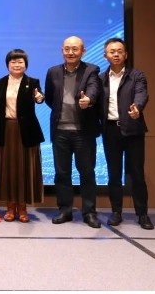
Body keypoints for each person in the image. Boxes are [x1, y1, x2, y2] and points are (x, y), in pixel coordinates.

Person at [44, 36, 102, 228]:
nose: (71, 52)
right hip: (60, 131)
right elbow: (50, 98)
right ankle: (65, 210)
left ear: (83, 51)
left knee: (87, 173)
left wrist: (88, 100)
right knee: (62, 173)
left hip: (83, 132)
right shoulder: (53, 72)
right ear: (62, 50)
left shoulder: (91, 70)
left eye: (75, 49)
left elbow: (94, 89)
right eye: (67, 49)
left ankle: (89, 212)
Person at [99, 38, 154, 230]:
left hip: (133, 129)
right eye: (112, 51)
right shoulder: (100, 79)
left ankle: (142, 214)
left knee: (137, 173)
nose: (116, 54)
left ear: (126, 54)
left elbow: (141, 94)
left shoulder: (136, 75)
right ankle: (116, 212)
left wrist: (137, 108)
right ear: (105, 55)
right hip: (110, 130)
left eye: (119, 51)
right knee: (114, 174)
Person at [0, 49, 45, 223]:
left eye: (20, 62)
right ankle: (10, 207)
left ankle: (22, 208)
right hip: (5, 130)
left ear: (26, 64)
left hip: (26, 131)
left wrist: (39, 97)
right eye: (13, 62)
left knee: (23, 169)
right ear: (7, 64)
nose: (17, 65)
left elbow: (39, 98)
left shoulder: (32, 82)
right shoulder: (0, 83)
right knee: (8, 169)